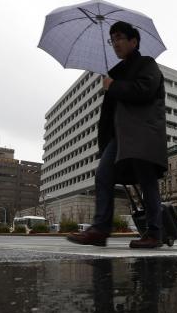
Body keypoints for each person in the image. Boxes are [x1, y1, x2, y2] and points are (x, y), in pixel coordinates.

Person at [67, 21, 167, 249]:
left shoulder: (147, 64)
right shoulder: (115, 72)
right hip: (119, 137)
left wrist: (114, 86)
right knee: (103, 175)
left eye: (120, 37)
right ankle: (100, 230)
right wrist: (104, 141)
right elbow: (109, 114)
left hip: (143, 134)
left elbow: (145, 91)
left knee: (147, 180)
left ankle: (154, 233)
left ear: (134, 41)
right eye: (112, 39)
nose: (115, 43)